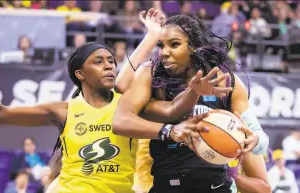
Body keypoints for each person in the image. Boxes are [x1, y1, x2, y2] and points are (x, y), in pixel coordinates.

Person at [0, 8, 231, 193]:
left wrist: (154, 37)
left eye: (111, 61)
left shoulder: (130, 105)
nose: (109, 66)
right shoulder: (64, 110)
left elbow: (170, 108)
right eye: (98, 62)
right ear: (80, 74)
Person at [113, 12, 270, 193]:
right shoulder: (151, 74)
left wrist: (254, 139)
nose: (164, 53)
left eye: (174, 44)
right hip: (166, 184)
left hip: (216, 186)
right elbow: (121, 119)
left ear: (194, 47)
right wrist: (169, 131)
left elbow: (260, 140)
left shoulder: (227, 81)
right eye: (161, 45)